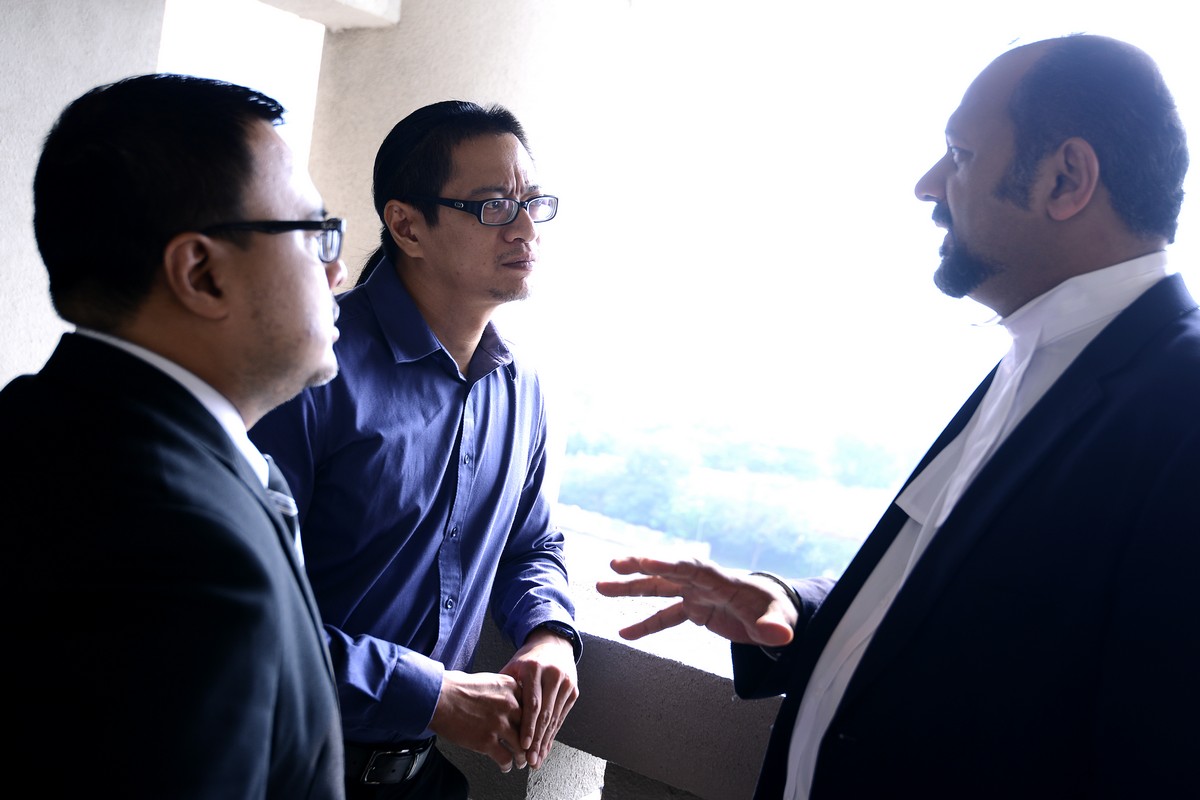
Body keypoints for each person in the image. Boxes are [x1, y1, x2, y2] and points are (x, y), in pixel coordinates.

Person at [597, 34, 1199, 799]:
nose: (928, 184)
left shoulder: (1181, 409)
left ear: (1066, 178)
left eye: (960, 155)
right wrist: (798, 607)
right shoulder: (1042, 355)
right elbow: (975, 622)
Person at [0, 74, 348, 798]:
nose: (337, 265)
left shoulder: (32, 426)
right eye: (315, 232)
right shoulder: (186, 550)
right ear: (201, 273)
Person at [249, 99, 580, 799]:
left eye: (532, 202)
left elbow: (532, 544)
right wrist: (427, 695)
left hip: (421, 780)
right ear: (407, 225)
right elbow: (253, 613)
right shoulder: (312, 369)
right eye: (493, 205)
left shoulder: (518, 385)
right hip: (283, 770)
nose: (524, 229)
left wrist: (549, 631)